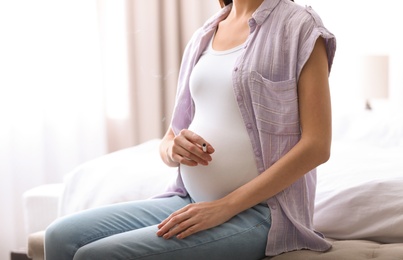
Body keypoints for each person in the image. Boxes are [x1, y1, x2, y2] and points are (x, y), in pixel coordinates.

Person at [45, 0, 336, 259]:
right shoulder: (206, 33)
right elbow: (170, 138)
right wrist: (173, 149)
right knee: (59, 236)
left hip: (261, 213)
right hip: (189, 201)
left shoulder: (298, 26)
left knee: (97, 255)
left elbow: (317, 146)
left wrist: (224, 207)